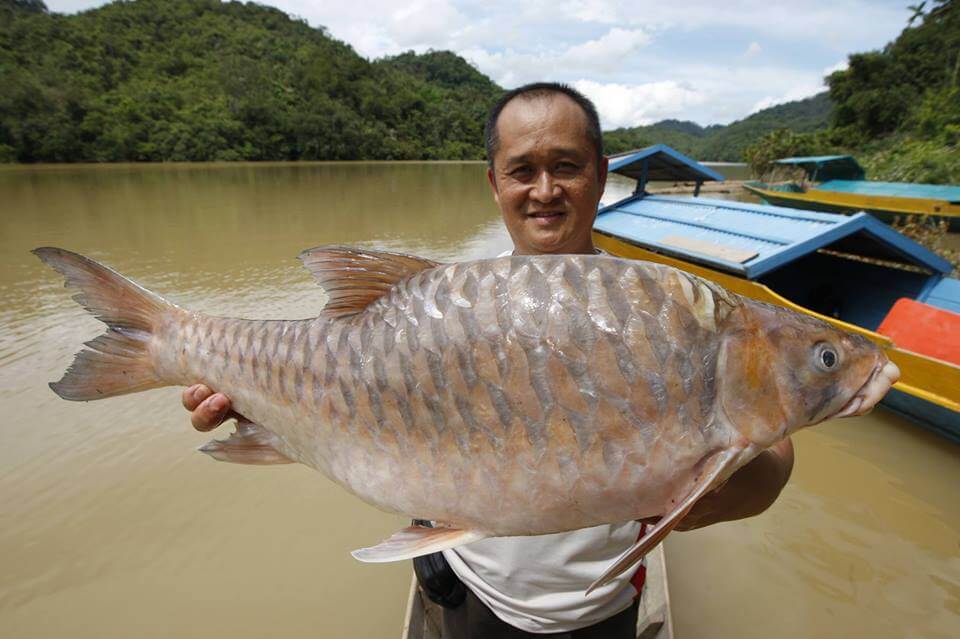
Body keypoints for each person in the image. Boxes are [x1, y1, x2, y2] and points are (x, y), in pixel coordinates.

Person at [182, 83, 795, 638]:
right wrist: (263, 410)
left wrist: (738, 487)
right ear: (494, 183)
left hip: (597, 607)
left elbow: (772, 444)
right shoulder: (443, 307)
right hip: (466, 587)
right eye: (522, 170)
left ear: (601, 174)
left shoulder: (662, 307)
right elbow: (358, 411)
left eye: (567, 167)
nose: (545, 190)